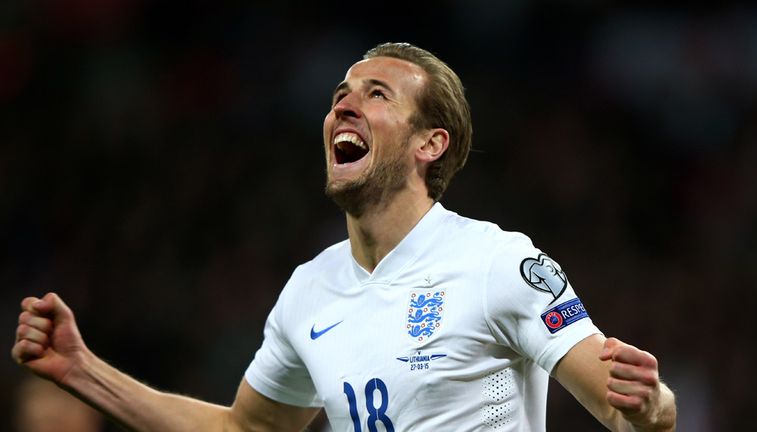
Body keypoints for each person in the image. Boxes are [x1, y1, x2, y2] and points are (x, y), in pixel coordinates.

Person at [11, 42, 676, 431]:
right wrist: (83, 371)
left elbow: (627, 411)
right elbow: (247, 429)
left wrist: (652, 404)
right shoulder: (310, 290)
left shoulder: (498, 263)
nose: (344, 104)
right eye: (341, 92)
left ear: (429, 144)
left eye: (377, 93)